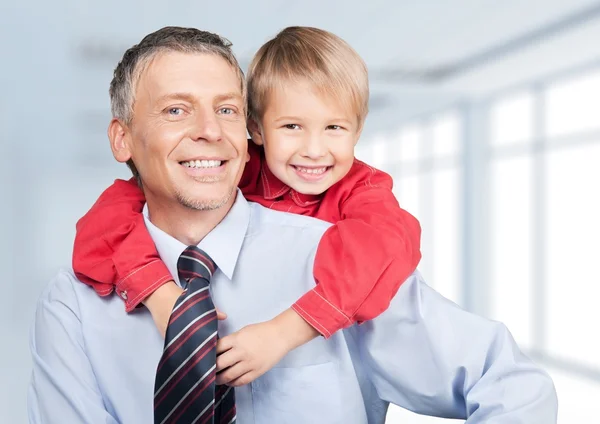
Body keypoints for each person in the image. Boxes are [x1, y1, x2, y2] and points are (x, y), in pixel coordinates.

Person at [28, 26, 557, 424]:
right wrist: (159, 293)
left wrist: (292, 328)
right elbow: (108, 221)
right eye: (175, 110)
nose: (210, 131)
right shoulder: (73, 302)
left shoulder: (339, 261)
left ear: (246, 130)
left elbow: (510, 383)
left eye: (227, 109)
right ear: (122, 140)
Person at [71, 25, 423, 387]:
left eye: (334, 127)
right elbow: (104, 223)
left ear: (358, 131)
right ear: (256, 129)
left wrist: (283, 333)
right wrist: (160, 296)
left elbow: (387, 249)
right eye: (291, 126)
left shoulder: (364, 191)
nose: (314, 150)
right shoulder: (230, 167)